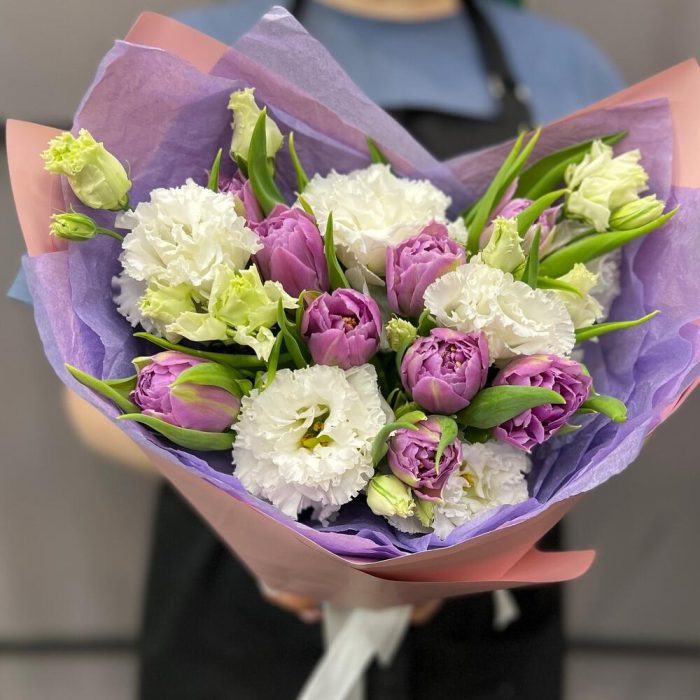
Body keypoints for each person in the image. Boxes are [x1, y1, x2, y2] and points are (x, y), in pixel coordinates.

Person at [10, 1, 623, 698]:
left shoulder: (567, 70)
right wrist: (282, 531)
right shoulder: (194, 51)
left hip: (481, 609)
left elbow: (608, 398)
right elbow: (94, 401)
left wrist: (461, 546)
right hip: (239, 597)